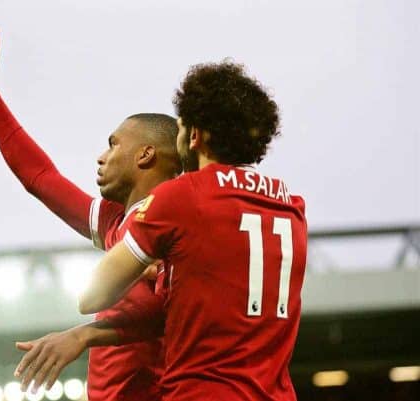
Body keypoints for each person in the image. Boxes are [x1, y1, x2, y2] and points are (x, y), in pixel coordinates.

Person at [0, 23, 181, 401]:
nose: (101, 156)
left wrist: (85, 334)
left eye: (113, 144)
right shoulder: (120, 221)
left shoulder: (175, 221)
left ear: (146, 154)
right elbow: (40, 177)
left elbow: (166, 312)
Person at [79, 62, 308, 401]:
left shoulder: (182, 197)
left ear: (196, 135)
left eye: (182, 128)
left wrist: (144, 264)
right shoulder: (293, 207)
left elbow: (92, 297)